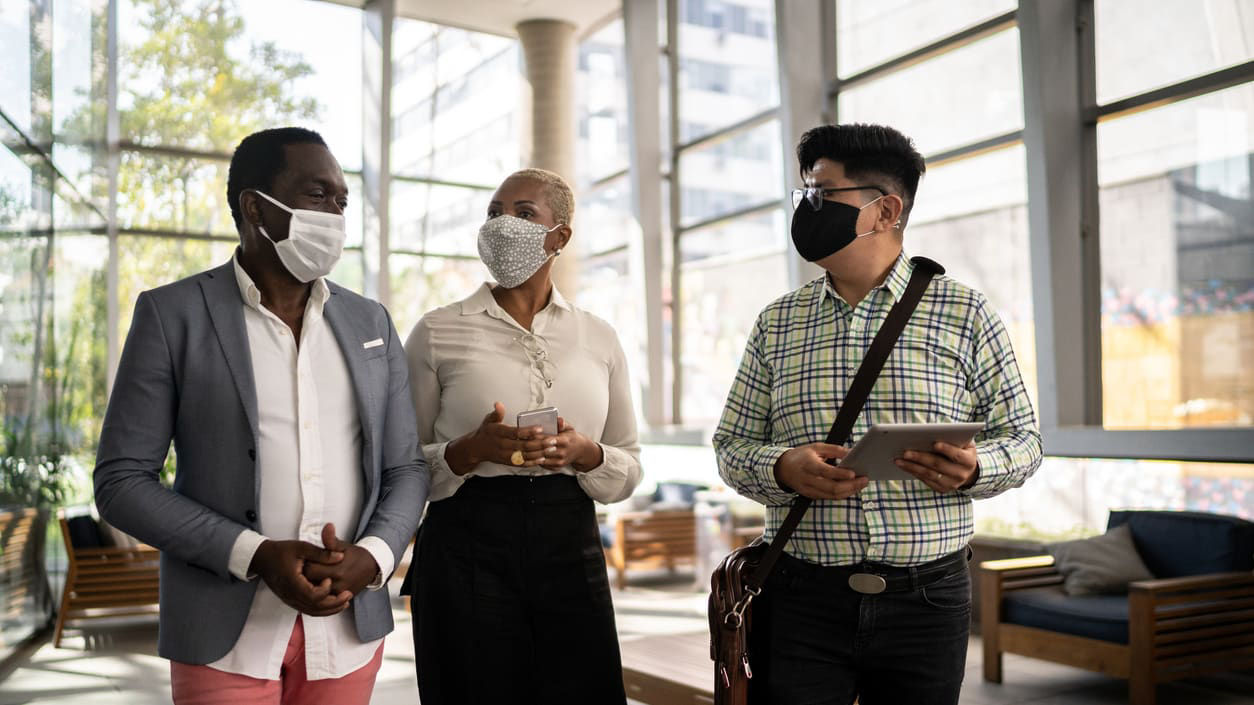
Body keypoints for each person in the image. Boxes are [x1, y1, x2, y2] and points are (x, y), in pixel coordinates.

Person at [94, 127, 429, 705]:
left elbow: (406, 468)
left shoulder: (371, 323)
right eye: (317, 195)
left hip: (348, 631)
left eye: (342, 201)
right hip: (224, 632)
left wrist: (372, 559)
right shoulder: (172, 315)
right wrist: (256, 554)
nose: (335, 214)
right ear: (256, 207)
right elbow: (121, 482)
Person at [713, 123, 1043, 705]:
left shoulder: (966, 313)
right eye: (804, 194)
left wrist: (975, 467)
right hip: (801, 598)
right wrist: (784, 468)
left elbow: (1024, 440)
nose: (807, 208)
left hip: (928, 600)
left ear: (884, 210)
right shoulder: (777, 322)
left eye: (822, 193)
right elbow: (731, 446)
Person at [400, 168, 642, 705]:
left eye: (524, 213)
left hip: (569, 540)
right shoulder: (437, 330)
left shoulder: (598, 336)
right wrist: (469, 451)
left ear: (561, 237)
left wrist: (588, 454)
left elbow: (628, 462)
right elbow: (399, 466)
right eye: (494, 212)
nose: (502, 224)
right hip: (464, 543)